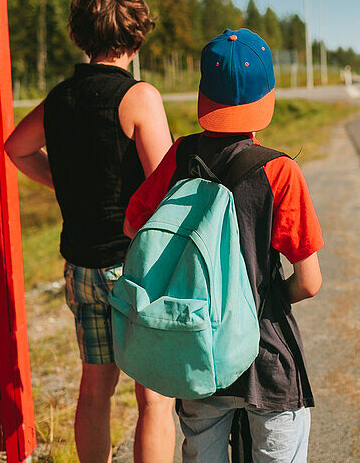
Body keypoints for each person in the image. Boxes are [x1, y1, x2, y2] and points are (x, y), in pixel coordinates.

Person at [124, 28, 323, 463]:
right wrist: (265, 299)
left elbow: (134, 228)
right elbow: (309, 283)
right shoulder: (280, 173)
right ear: (265, 98)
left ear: (203, 95)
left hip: (198, 351)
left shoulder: (179, 158)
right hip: (266, 358)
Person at [5, 0, 176, 463]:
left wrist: (67, 185)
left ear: (81, 36)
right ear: (136, 35)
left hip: (81, 267)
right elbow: (163, 187)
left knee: (95, 390)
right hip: (133, 266)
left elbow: (15, 148)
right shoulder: (139, 97)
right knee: (154, 398)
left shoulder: (60, 98)